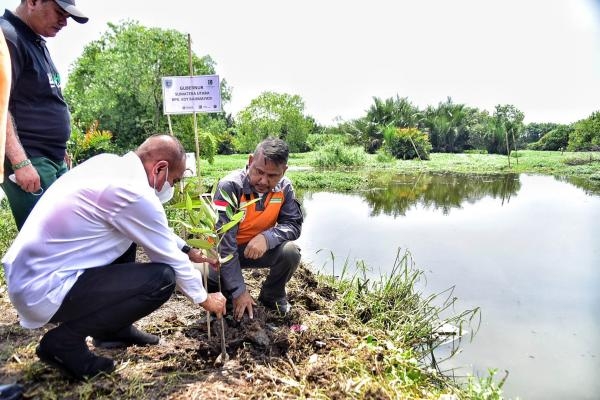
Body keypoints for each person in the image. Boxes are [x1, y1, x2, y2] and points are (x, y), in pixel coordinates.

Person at [1, 134, 227, 380]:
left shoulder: (110, 166)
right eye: (174, 180)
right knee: (162, 279)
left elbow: (148, 227)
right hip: (44, 287)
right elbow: (169, 258)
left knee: (128, 241)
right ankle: (64, 342)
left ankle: (114, 331)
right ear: (159, 168)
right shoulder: (132, 192)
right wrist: (204, 298)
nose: (172, 186)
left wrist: (189, 250)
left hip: (34, 275)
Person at [0, 0, 88, 230]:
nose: (65, 22)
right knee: (47, 242)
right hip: (31, 159)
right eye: (60, 12)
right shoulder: (8, 36)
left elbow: (41, 100)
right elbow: (1, 104)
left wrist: (61, 149)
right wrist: (20, 162)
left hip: (52, 159)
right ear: (33, 2)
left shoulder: (35, 40)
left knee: (67, 235)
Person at [210, 137, 303, 321]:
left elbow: (293, 225)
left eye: (272, 175)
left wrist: (267, 238)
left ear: (284, 171)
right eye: (259, 171)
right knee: (203, 273)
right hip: (224, 253)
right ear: (250, 160)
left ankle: (272, 295)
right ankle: (227, 298)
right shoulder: (230, 187)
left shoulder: (285, 188)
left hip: (258, 250)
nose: (263, 180)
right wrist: (240, 290)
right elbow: (224, 245)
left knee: (291, 252)